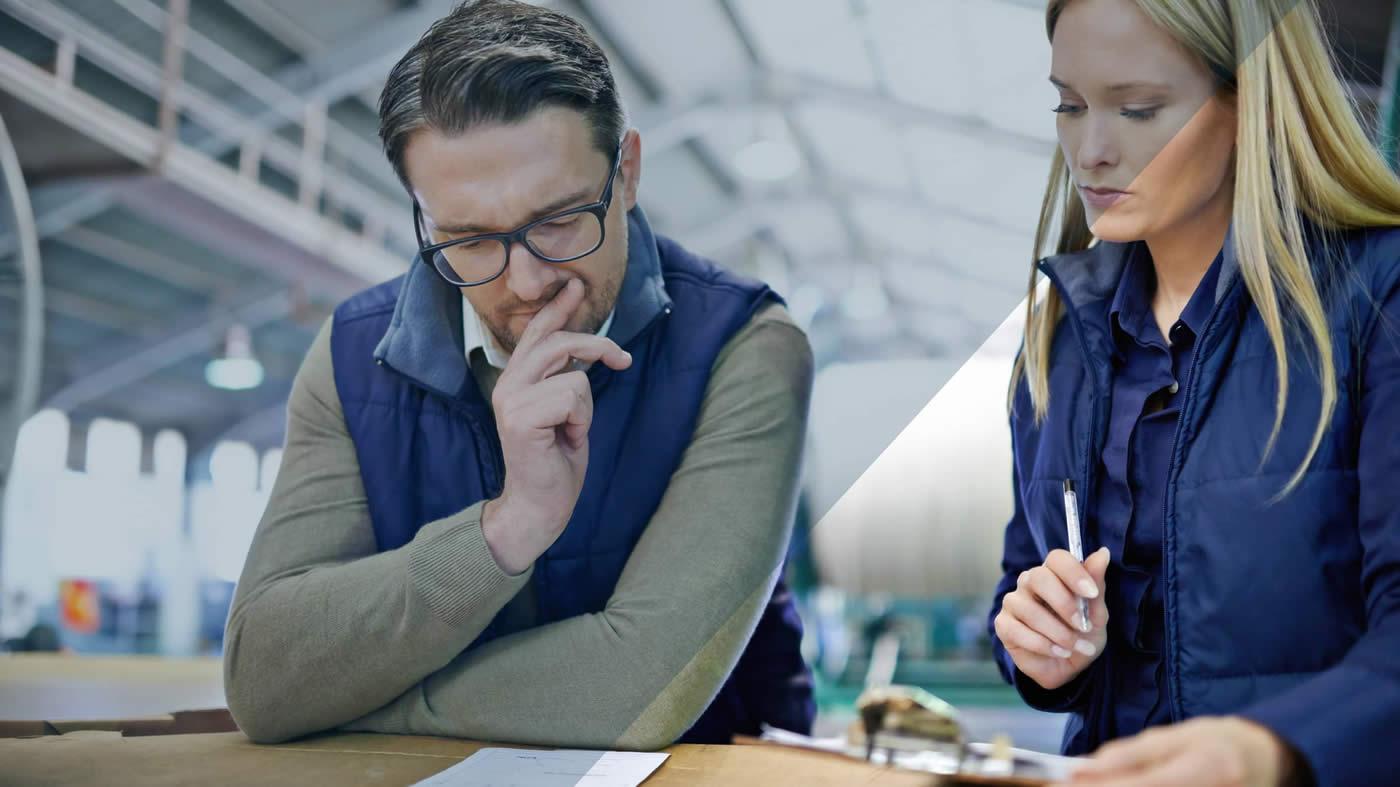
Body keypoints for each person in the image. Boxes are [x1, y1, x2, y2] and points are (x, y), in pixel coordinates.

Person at [223, 0, 815, 748]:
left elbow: (640, 689)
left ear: (626, 173)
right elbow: (264, 679)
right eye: (469, 239)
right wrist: (507, 529)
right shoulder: (352, 361)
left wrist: (356, 697)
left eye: (561, 219)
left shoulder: (744, 347)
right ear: (423, 215)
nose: (528, 280)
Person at [988, 1, 1400, 785]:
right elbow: (1019, 582)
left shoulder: (1378, 301)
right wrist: (1042, 648)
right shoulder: (1060, 338)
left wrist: (1267, 749)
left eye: (1138, 110)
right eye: (1069, 106)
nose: (1092, 151)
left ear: (1251, 103)